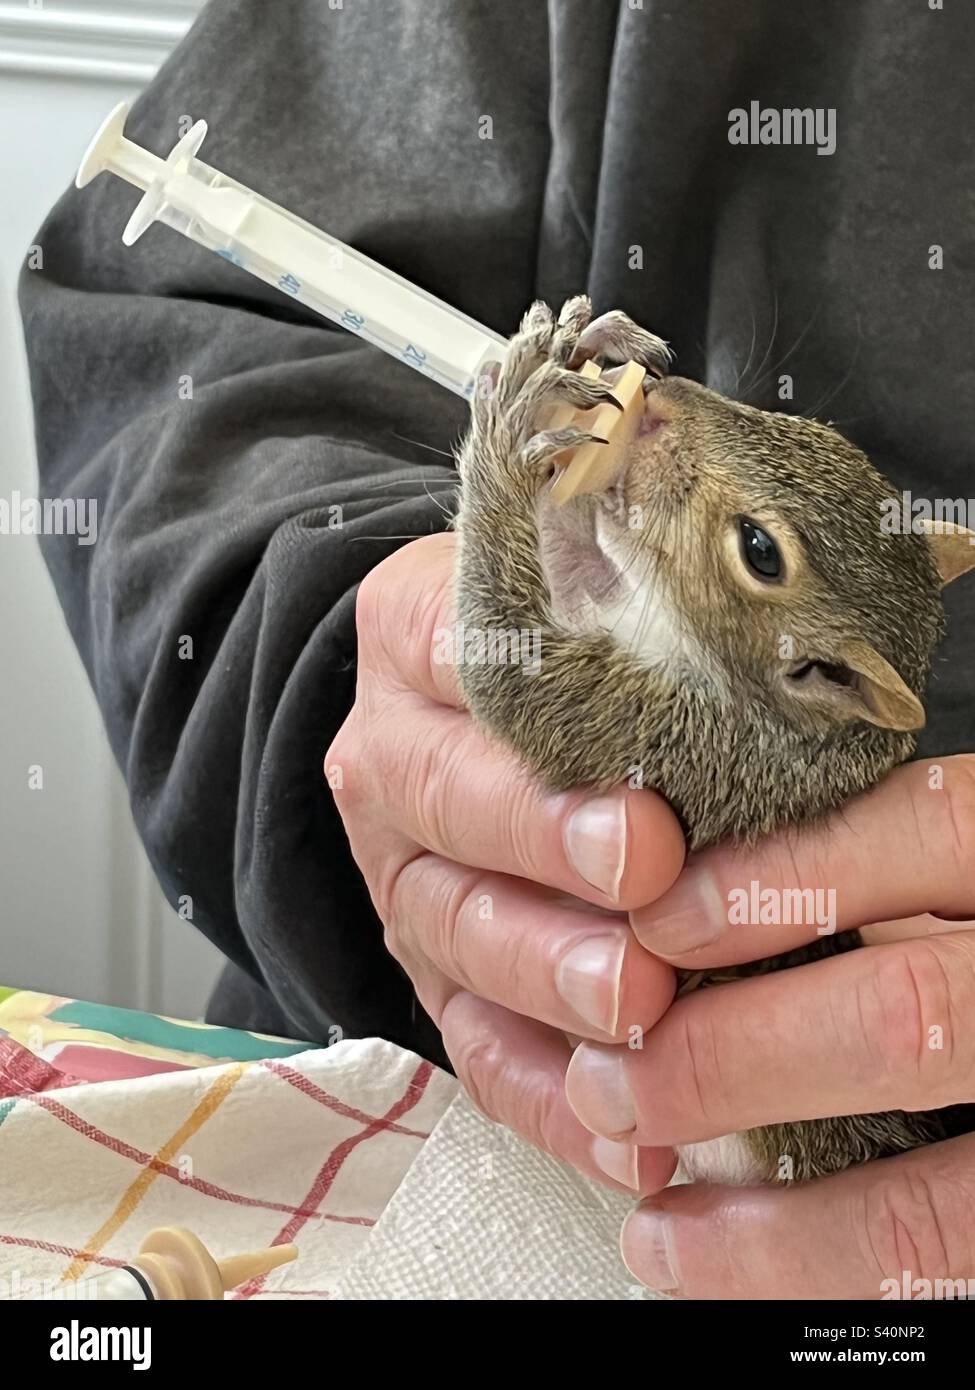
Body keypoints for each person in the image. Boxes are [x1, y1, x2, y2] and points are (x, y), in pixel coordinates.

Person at [19, 0, 975, 1299]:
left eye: (758, 551)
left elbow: (539, 676)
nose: (664, 404)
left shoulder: (703, 734)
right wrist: (360, 639)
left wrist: (504, 460)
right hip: (402, 1090)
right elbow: (188, 326)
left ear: (822, 679)